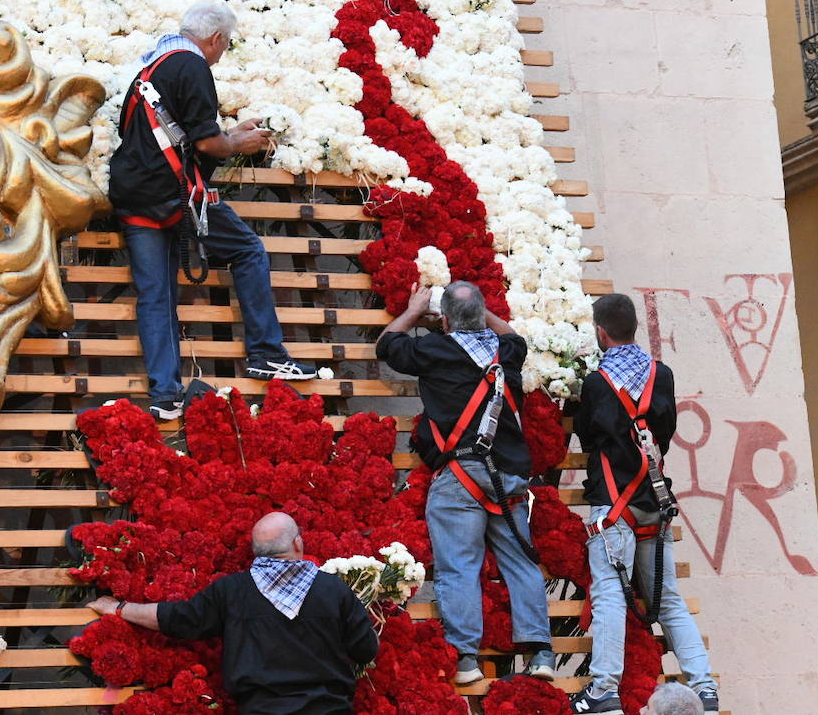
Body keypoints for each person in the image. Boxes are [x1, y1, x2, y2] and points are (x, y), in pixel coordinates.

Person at [108, 1, 316, 420]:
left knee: (156, 296)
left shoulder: (151, 67)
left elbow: (177, 136)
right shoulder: (193, 65)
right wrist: (240, 143)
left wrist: (228, 135)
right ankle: (265, 353)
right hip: (175, 194)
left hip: (134, 194)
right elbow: (206, 145)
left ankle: (165, 396)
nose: (222, 53)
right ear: (216, 38)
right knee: (248, 250)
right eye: (227, 45)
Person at [375, 281, 554, 685]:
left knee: (459, 569)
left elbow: (387, 345)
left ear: (446, 321)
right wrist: (479, 312)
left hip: (460, 477)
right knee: (521, 564)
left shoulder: (434, 350)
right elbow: (513, 336)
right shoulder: (506, 353)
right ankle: (541, 653)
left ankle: (467, 660)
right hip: (508, 476)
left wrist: (413, 310)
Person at [568, 294, 719, 715]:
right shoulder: (662, 375)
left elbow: (587, 434)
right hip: (653, 500)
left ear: (600, 332)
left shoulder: (597, 383)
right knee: (668, 598)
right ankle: (704, 688)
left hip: (612, 505)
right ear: (634, 327)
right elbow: (665, 433)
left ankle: (604, 689)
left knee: (612, 596)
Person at [86, 512, 377, 713]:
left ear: (256, 552)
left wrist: (120, 608)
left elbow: (177, 619)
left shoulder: (232, 591)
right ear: (298, 543)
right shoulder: (333, 590)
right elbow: (365, 649)